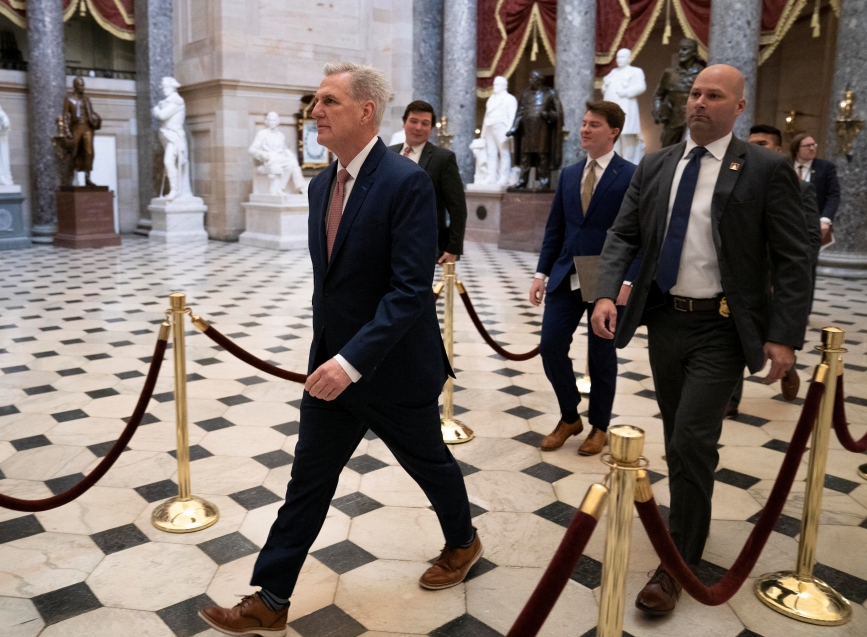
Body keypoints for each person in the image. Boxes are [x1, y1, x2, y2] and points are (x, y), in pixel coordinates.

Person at [200, 63, 479, 636]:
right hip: (332, 368)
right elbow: (331, 285)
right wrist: (330, 357)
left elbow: (409, 292)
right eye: (315, 101)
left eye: (328, 101)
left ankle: (463, 541)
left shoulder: (407, 183)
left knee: (429, 464)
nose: (316, 111)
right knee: (307, 481)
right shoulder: (321, 184)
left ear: (365, 111)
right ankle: (271, 599)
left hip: (393, 368)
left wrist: (352, 361)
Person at [591, 65, 812, 616]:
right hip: (667, 320)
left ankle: (679, 561)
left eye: (714, 95)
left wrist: (783, 336)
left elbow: (793, 257)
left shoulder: (765, 168)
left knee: (690, 437)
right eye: (694, 93)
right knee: (680, 432)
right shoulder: (658, 164)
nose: (698, 103)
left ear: (738, 108)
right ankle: (690, 511)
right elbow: (623, 233)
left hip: (721, 325)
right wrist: (602, 294)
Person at [529, 101, 639, 456]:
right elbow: (555, 228)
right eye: (584, 123)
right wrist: (541, 272)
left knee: (601, 354)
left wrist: (628, 282)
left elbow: (640, 234)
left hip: (605, 276)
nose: (584, 129)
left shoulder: (632, 174)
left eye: (594, 124)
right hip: (566, 273)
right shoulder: (571, 173)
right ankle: (569, 414)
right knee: (550, 346)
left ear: (614, 132)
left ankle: (600, 426)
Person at [724, 125, 820, 416]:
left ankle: (788, 370)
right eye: (751, 143)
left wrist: (783, 278)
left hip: (776, 279)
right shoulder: (736, 183)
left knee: (774, 335)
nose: (755, 148)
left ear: (778, 149)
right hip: (746, 279)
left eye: (762, 143)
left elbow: (809, 240)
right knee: (736, 334)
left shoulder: (801, 188)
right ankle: (729, 398)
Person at [390, 100, 467, 263]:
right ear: (404, 123)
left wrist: (453, 248)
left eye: (425, 123)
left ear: (431, 129)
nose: (418, 127)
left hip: (424, 244)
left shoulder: (443, 159)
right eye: (413, 121)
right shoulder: (388, 154)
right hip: (387, 241)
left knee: (417, 288)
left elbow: (457, 207)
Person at [790, 132, 841, 244]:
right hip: (789, 222)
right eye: (807, 146)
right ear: (796, 149)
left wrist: (825, 219)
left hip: (813, 224)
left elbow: (833, 195)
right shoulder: (786, 165)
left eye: (814, 145)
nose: (812, 148)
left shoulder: (826, 167)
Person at [602, 48, 648, 164]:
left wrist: (627, 92)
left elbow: (641, 86)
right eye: (618, 57)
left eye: (622, 57)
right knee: (613, 139)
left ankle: (629, 168)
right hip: (612, 110)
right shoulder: (613, 72)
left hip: (627, 108)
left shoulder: (635, 71)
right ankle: (614, 168)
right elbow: (604, 88)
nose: (619, 60)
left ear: (629, 58)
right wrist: (605, 86)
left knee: (627, 139)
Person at [61, 77, 101, 184]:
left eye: (83, 85)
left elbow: (91, 113)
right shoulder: (69, 99)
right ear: (75, 86)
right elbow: (65, 116)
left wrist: (96, 119)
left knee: (89, 152)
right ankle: (69, 178)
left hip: (87, 127)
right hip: (76, 127)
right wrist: (67, 131)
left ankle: (87, 178)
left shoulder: (87, 100)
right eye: (80, 85)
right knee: (74, 152)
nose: (82, 87)